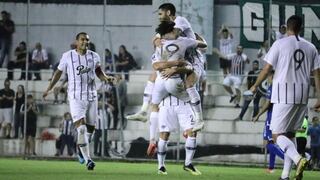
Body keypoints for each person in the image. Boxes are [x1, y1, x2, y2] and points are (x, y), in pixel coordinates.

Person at [250, 15, 320, 180]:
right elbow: (317, 73)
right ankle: (285, 175)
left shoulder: (280, 44)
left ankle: (299, 159)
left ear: (287, 27)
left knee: (276, 135)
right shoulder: (311, 47)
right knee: (290, 135)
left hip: (283, 94)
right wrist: (319, 96)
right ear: (301, 28)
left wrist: (255, 85)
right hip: (302, 95)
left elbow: (267, 69)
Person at [43, 32, 115, 170]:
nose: (85, 42)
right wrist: (49, 88)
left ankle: (80, 150)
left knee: (91, 130)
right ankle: (88, 160)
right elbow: (58, 73)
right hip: (75, 97)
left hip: (91, 96)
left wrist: (106, 78)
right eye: (82, 40)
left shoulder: (94, 56)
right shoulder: (67, 56)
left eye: (87, 40)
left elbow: (98, 71)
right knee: (81, 129)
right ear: (76, 41)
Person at [156, 94, 201, 175]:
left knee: (193, 131)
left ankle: (188, 163)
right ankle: (161, 166)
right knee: (164, 134)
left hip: (184, 103)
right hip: (166, 104)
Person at [252, 71, 284, 173]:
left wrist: (258, 115)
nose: (268, 79)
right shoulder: (281, 88)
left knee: (268, 143)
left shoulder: (272, 87)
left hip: (272, 118)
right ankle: (271, 167)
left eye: (269, 76)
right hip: (279, 116)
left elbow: (267, 104)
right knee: (272, 142)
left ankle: (291, 159)